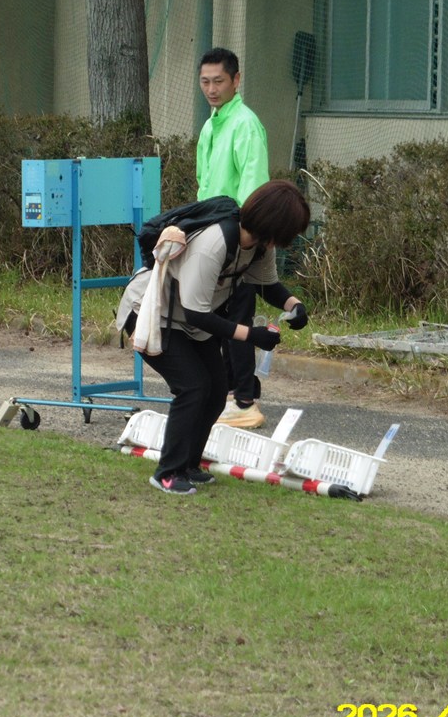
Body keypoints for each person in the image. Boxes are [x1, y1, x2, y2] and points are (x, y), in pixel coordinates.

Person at [116, 180, 310, 495]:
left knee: (217, 390)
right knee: (193, 386)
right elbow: (198, 314)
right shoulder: (215, 243)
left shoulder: (259, 246)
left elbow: (266, 285)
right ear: (275, 226)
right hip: (151, 314)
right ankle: (167, 472)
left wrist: (294, 306)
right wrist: (251, 335)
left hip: (187, 319)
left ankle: (189, 465)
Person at [196, 47, 272, 430]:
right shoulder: (211, 125)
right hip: (213, 239)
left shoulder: (245, 124)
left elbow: (254, 189)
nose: (212, 89)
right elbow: (203, 184)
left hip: (239, 241)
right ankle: (229, 395)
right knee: (219, 322)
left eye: (219, 81)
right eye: (205, 82)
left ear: (236, 80)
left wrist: (245, 242)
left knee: (238, 320)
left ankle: (245, 400)